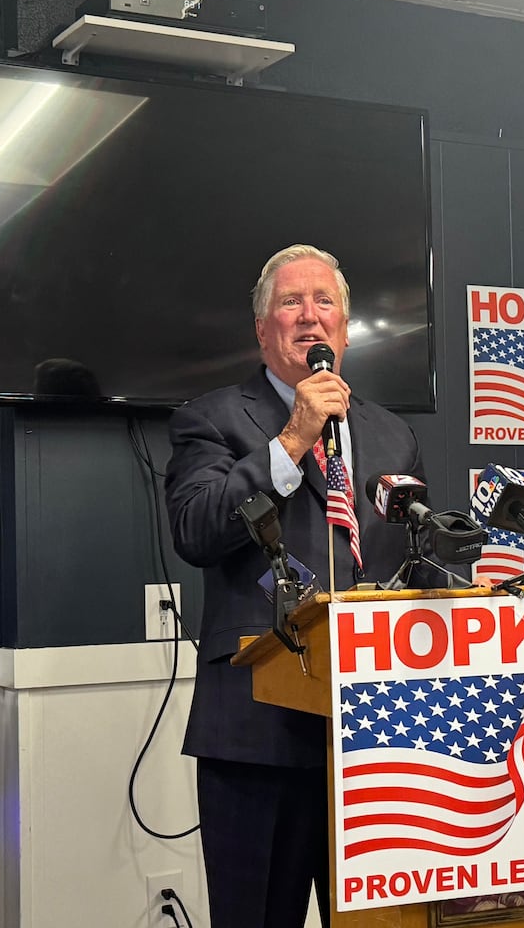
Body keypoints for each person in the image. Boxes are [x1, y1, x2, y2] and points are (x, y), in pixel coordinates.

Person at [165, 245, 429, 928]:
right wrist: (291, 440)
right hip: (258, 734)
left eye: (325, 302)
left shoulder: (390, 431)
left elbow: (412, 559)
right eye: (291, 302)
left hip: (378, 737)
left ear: (343, 328)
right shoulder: (212, 418)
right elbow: (196, 528)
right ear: (263, 329)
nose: (310, 315)